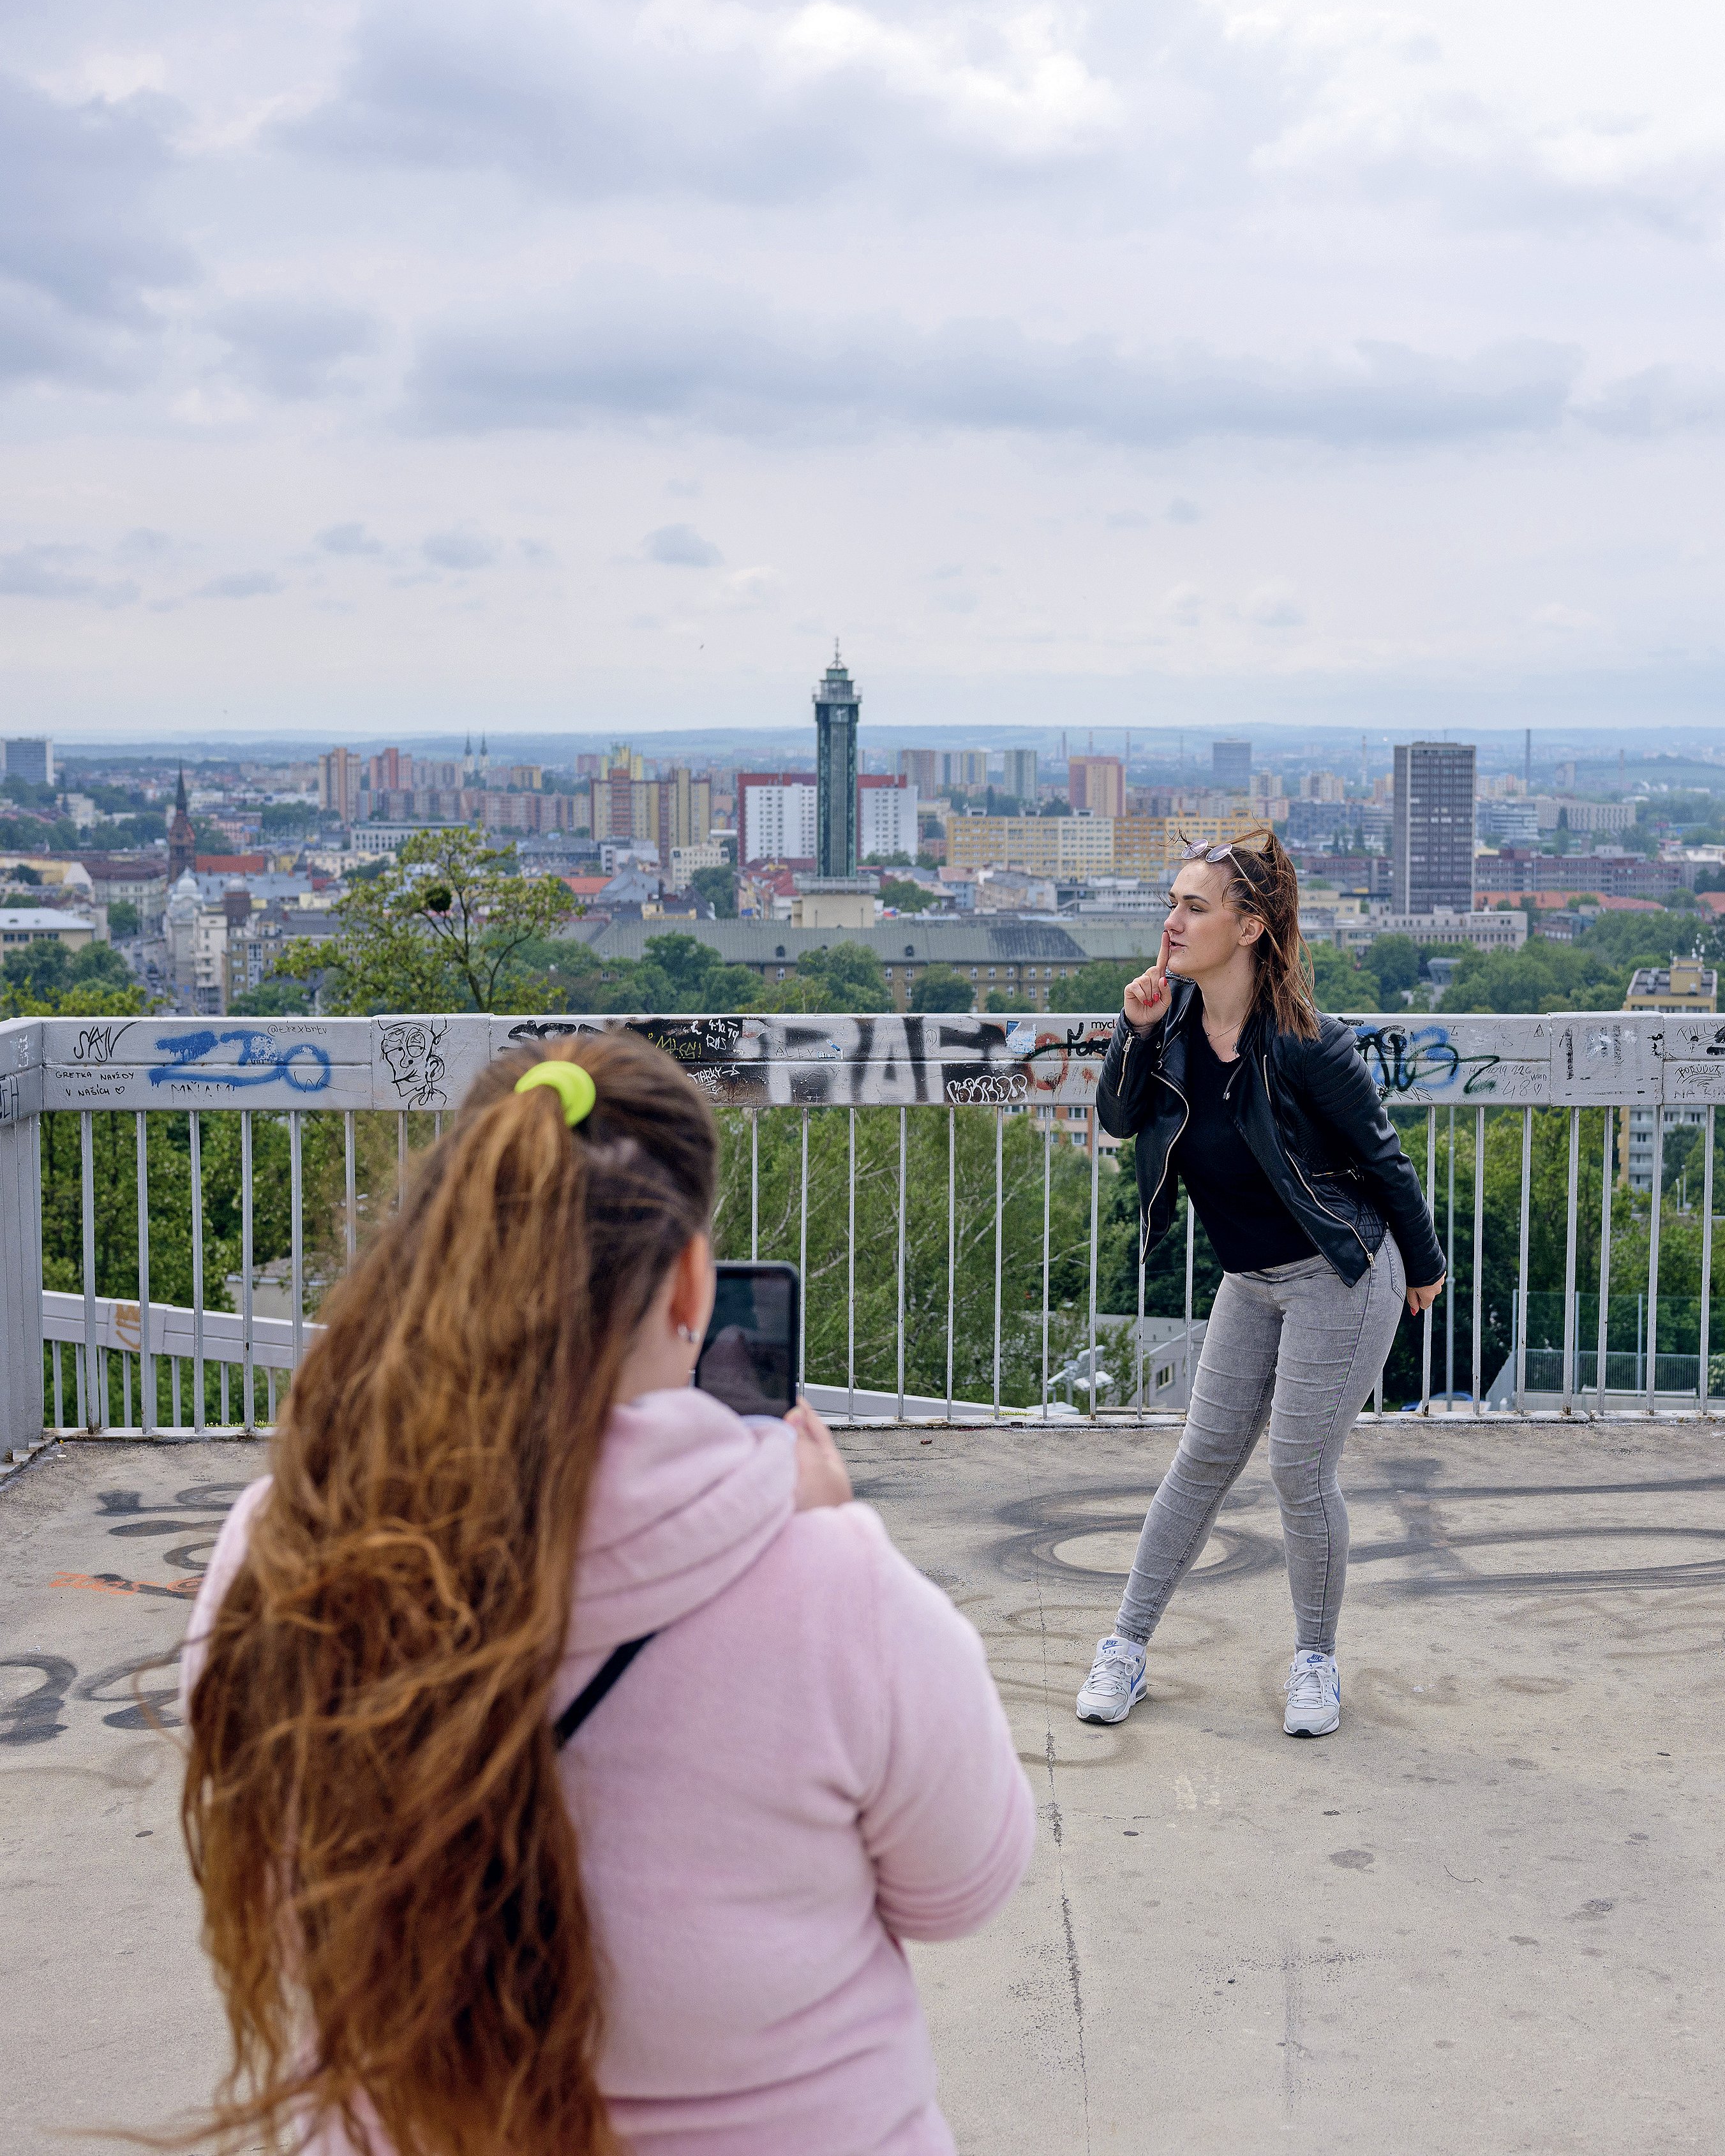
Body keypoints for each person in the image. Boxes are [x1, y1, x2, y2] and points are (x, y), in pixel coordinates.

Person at [179, 1032, 1032, 2156]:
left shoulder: (280, 1550)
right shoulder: (838, 1588)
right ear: (691, 1278)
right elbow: (964, 1887)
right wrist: (824, 1535)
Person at [1075, 828, 1446, 1739]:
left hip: (1341, 1272)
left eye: (1193, 907)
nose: (1171, 922)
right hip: (1249, 1278)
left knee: (1297, 1468)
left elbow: (1385, 1163)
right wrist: (1135, 1027)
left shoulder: (1308, 1047)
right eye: (1172, 903)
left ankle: (1315, 1661)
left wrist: (1426, 1271)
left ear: (1248, 929)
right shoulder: (1172, 1031)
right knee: (1200, 1462)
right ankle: (1125, 1648)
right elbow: (1120, 1122)